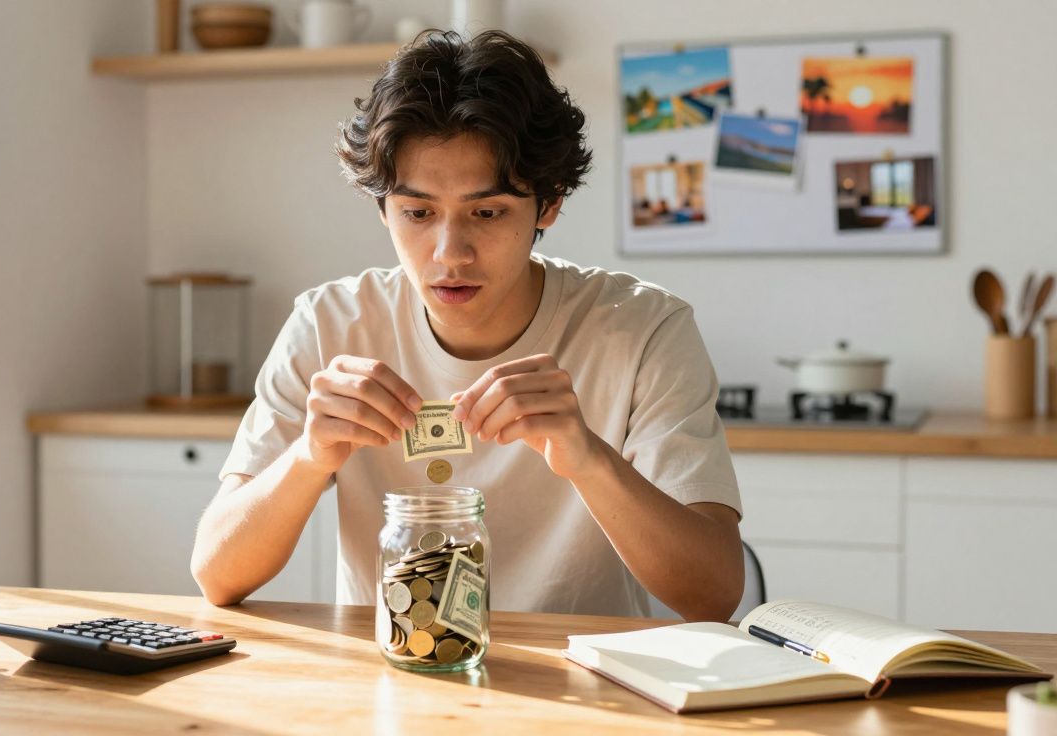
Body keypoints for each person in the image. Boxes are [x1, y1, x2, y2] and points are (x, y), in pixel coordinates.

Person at [191, 30, 743, 620]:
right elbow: (217, 577)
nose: (450, 253)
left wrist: (589, 458)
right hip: (394, 677)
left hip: (587, 682)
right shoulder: (330, 325)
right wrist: (307, 456)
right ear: (383, 209)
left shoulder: (644, 329)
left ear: (549, 204)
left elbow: (712, 595)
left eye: (487, 212)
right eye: (418, 213)